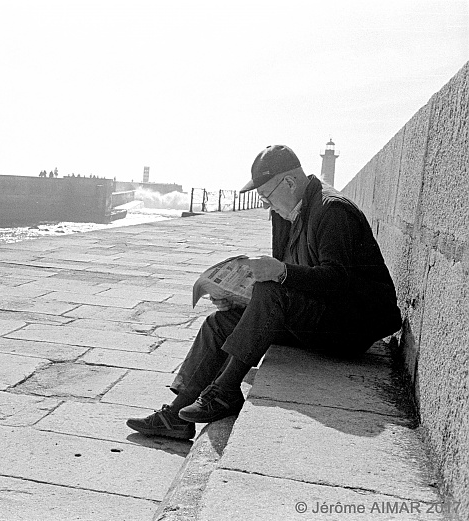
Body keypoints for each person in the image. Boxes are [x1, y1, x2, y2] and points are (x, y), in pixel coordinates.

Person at [126, 144, 402, 440]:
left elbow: (336, 280)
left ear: (290, 182)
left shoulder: (332, 210)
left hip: (351, 326)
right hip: (319, 316)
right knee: (220, 323)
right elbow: (293, 285)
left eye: (267, 196)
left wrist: (280, 272)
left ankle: (225, 391)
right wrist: (239, 298)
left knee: (271, 290)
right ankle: (175, 415)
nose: (267, 205)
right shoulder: (288, 213)